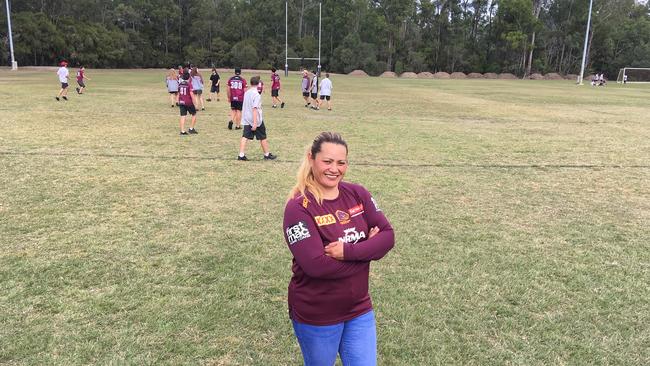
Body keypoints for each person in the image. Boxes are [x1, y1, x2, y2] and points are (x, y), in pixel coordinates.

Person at [282, 131, 395, 365]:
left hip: (359, 307)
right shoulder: (298, 207)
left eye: (341, 162)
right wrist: (369, 250)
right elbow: (316, 266)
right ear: (311, 158)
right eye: (327, 161)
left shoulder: (357, 193)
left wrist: (350, 252)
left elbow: (388, 236)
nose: (335, 169)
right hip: (317, 313)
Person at [237, 76, 277, 161]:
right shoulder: (256, 95)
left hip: (247, 118)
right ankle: (266, 154)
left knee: (245, 136)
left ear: (251, 83)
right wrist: (255, 123)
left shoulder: (247, 92)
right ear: (258, 84)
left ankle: (241, 154)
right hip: (256, 120)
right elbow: (254, 108)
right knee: (263, 136)